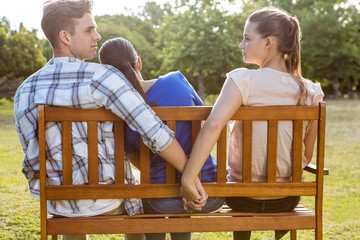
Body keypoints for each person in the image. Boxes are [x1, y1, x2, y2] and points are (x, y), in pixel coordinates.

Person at [14, 1, 206, 240]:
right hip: (109, 198)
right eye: (88, 30)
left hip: (56, 201)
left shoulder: (26, 90)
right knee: (133, 197)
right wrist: (189, 175)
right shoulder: (103, 78)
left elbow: (31, 153)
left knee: (73, 207)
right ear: (65, 36)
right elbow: (154, 131)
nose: (98, 35)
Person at [180, 6, 324, 240]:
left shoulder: (243, 80)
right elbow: (306, 157)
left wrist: (188, 178)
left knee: (235, 177)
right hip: (287, 199)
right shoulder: (311, 91)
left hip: (241, 197)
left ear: (268, 42)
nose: (241, 44)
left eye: (247, 38)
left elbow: (213, 126)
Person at [98, 37, 225, 240]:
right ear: (138, 62)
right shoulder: (176, 80)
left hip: (160, 200)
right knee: (175, 204)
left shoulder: (121, 110)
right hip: (209, 191)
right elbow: (202, 124)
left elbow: (135, 158)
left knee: (151, 197)